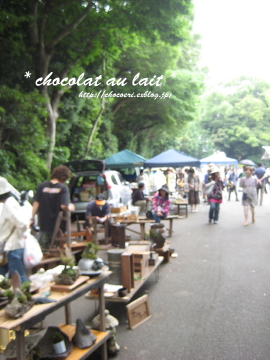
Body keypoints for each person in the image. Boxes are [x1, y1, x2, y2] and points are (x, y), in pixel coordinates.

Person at [31, 165, 75, 249]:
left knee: (43, 246)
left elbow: (36, 204)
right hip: (58, 225)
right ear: (64, 177)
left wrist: (32, 218)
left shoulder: (42, 186)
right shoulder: (63, 188)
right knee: (56, 246)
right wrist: (71, 207)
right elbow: (64, 206)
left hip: (43, 223)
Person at [0, 177, 30, 282]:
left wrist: (20, 234)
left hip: (12, 247)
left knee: (19, 279)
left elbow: (22, 223)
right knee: (4, 278)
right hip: (7, 248)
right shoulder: (9, 202)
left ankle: (25, 297)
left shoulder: (9, 204)